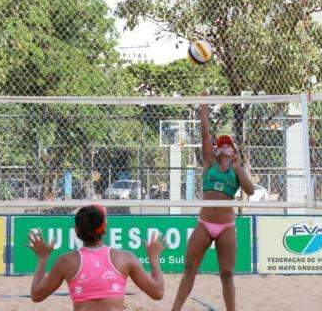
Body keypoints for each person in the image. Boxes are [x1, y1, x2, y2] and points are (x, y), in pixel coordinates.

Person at [171, 100, 255, 311]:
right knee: (190, 268)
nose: (225, 145)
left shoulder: (236, 170)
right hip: (205, 223)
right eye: (222, 144)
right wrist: (203, 104)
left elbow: (251, 190)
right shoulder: (210, 162)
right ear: (218, 151)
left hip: (226, 226)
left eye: (229, 144)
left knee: (226, 274)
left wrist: (239, 168)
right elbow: (204, 133)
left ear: (234, 151)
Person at [29, 204, 164, 310]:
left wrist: (42, 259)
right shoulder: (125, 258)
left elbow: (36, 295)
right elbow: (158, 293)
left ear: (76, 231)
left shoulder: (66, 262)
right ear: (104, 229)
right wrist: (153, 258)